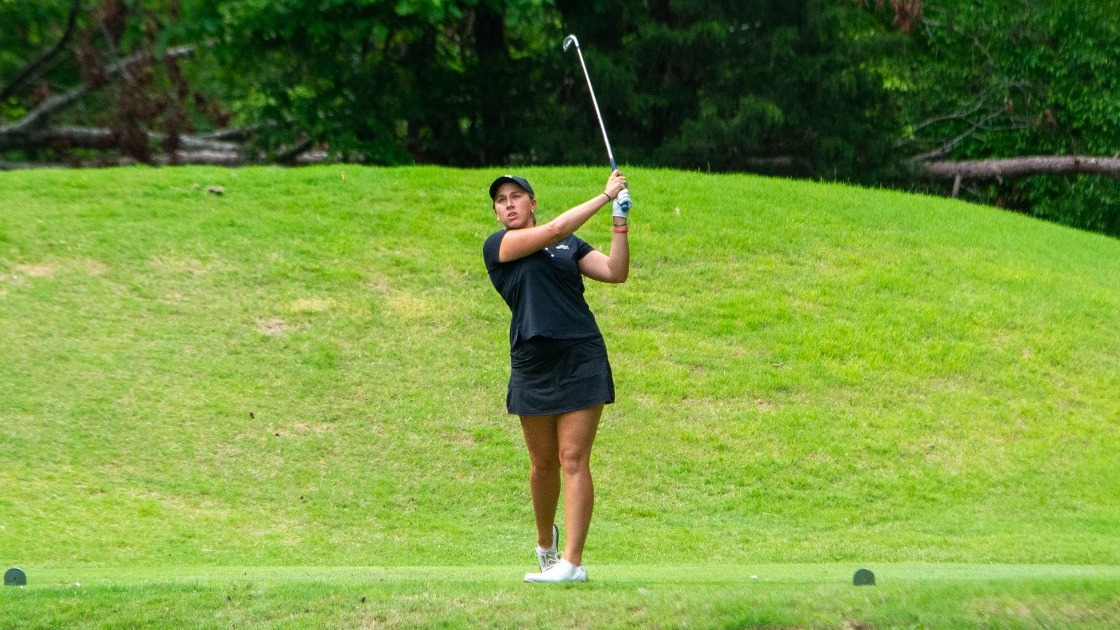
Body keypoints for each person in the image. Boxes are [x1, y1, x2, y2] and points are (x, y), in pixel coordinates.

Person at [483, 170, 631, 583]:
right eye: (501, 200)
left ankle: (573, 563)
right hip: (533, 362)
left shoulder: (570, 246)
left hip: (580, 354)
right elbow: (555, 228)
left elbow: (615, 271)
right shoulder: (500, 246)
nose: (509, 203)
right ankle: (545, 545)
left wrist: (620, 221)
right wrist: (605, 195)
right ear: (497, 213)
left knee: (573, 458)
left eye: (517, 196)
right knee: (542, 465)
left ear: (532, 202)